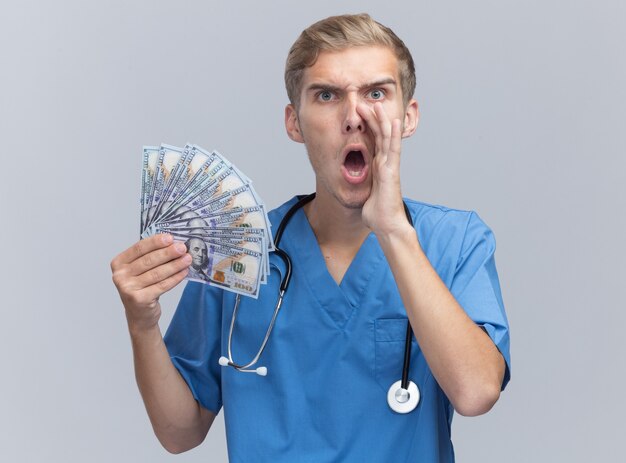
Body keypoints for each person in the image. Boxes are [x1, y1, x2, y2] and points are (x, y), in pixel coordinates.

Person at [111, 13, 511, 462]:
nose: (355, 116)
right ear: (294, 122)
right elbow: (179, 432)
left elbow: (477, 392)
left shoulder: (454, 242)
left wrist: (395, 231)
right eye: (327, 95)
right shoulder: (239, 247)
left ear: (408, 116)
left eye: (377, 93)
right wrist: (141, 322)